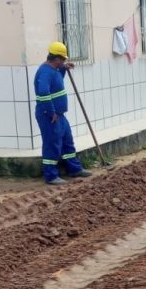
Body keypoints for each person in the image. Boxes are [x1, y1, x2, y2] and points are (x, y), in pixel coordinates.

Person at [34, 42, 92, 185]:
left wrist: (64, 69)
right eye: (63, 60)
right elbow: (43, 93)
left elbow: (57, 81)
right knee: (52, 144)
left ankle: (74, 169)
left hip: (59, 115)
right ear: (56, 58)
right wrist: (51, 112)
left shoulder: (54, 70)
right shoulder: (45, 72)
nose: (64, 61)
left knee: (67, 140)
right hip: (49, 115)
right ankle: (51, 176)